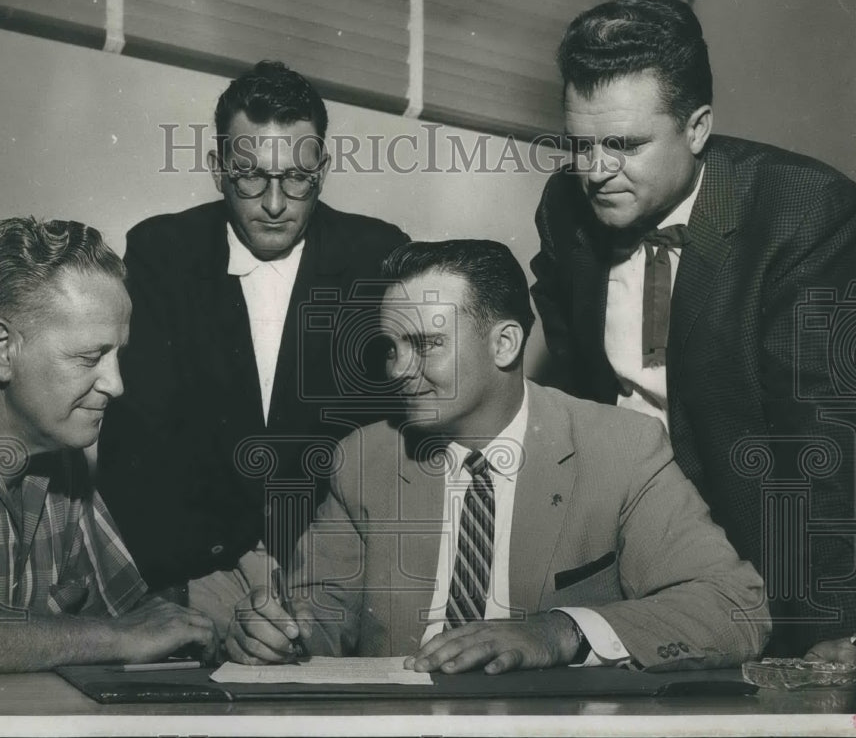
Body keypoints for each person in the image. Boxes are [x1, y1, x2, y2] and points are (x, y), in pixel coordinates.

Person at [226, 240, 770, 673]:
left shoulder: (622, 448)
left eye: (426, 344)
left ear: (505, 344)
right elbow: (319, 615)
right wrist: (275, 631)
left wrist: (563, 632)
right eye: (391, 347)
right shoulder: (362, 459)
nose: (396, 370)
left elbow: (735, 607)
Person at [528, 0, 856, 661]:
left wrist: (832, 631)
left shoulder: (804, 213)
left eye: (624, 145)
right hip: (622, 562)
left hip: (770, 567)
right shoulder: (565, 207)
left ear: (699, 126)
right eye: (580, 144)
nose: (594, 172)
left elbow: (821, 448)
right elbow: (577, 397)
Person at [96, 61, 409, 637]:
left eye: (297, 178)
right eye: (249, 176)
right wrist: (242, 555)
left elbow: (385, 441)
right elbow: (140, 438)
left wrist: (312, 569)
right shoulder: (162, 252)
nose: (273, 203)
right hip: (199, 552)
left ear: (323, 170)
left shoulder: (377, 256)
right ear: (217, 169)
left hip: (338, 557)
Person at [0, 217, 217, 674]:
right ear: (2, 348)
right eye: (89, 358)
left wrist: (231, 624)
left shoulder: (60, 458)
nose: (115, 385)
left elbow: (134, 612)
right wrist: (112, 637)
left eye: (118, 356)